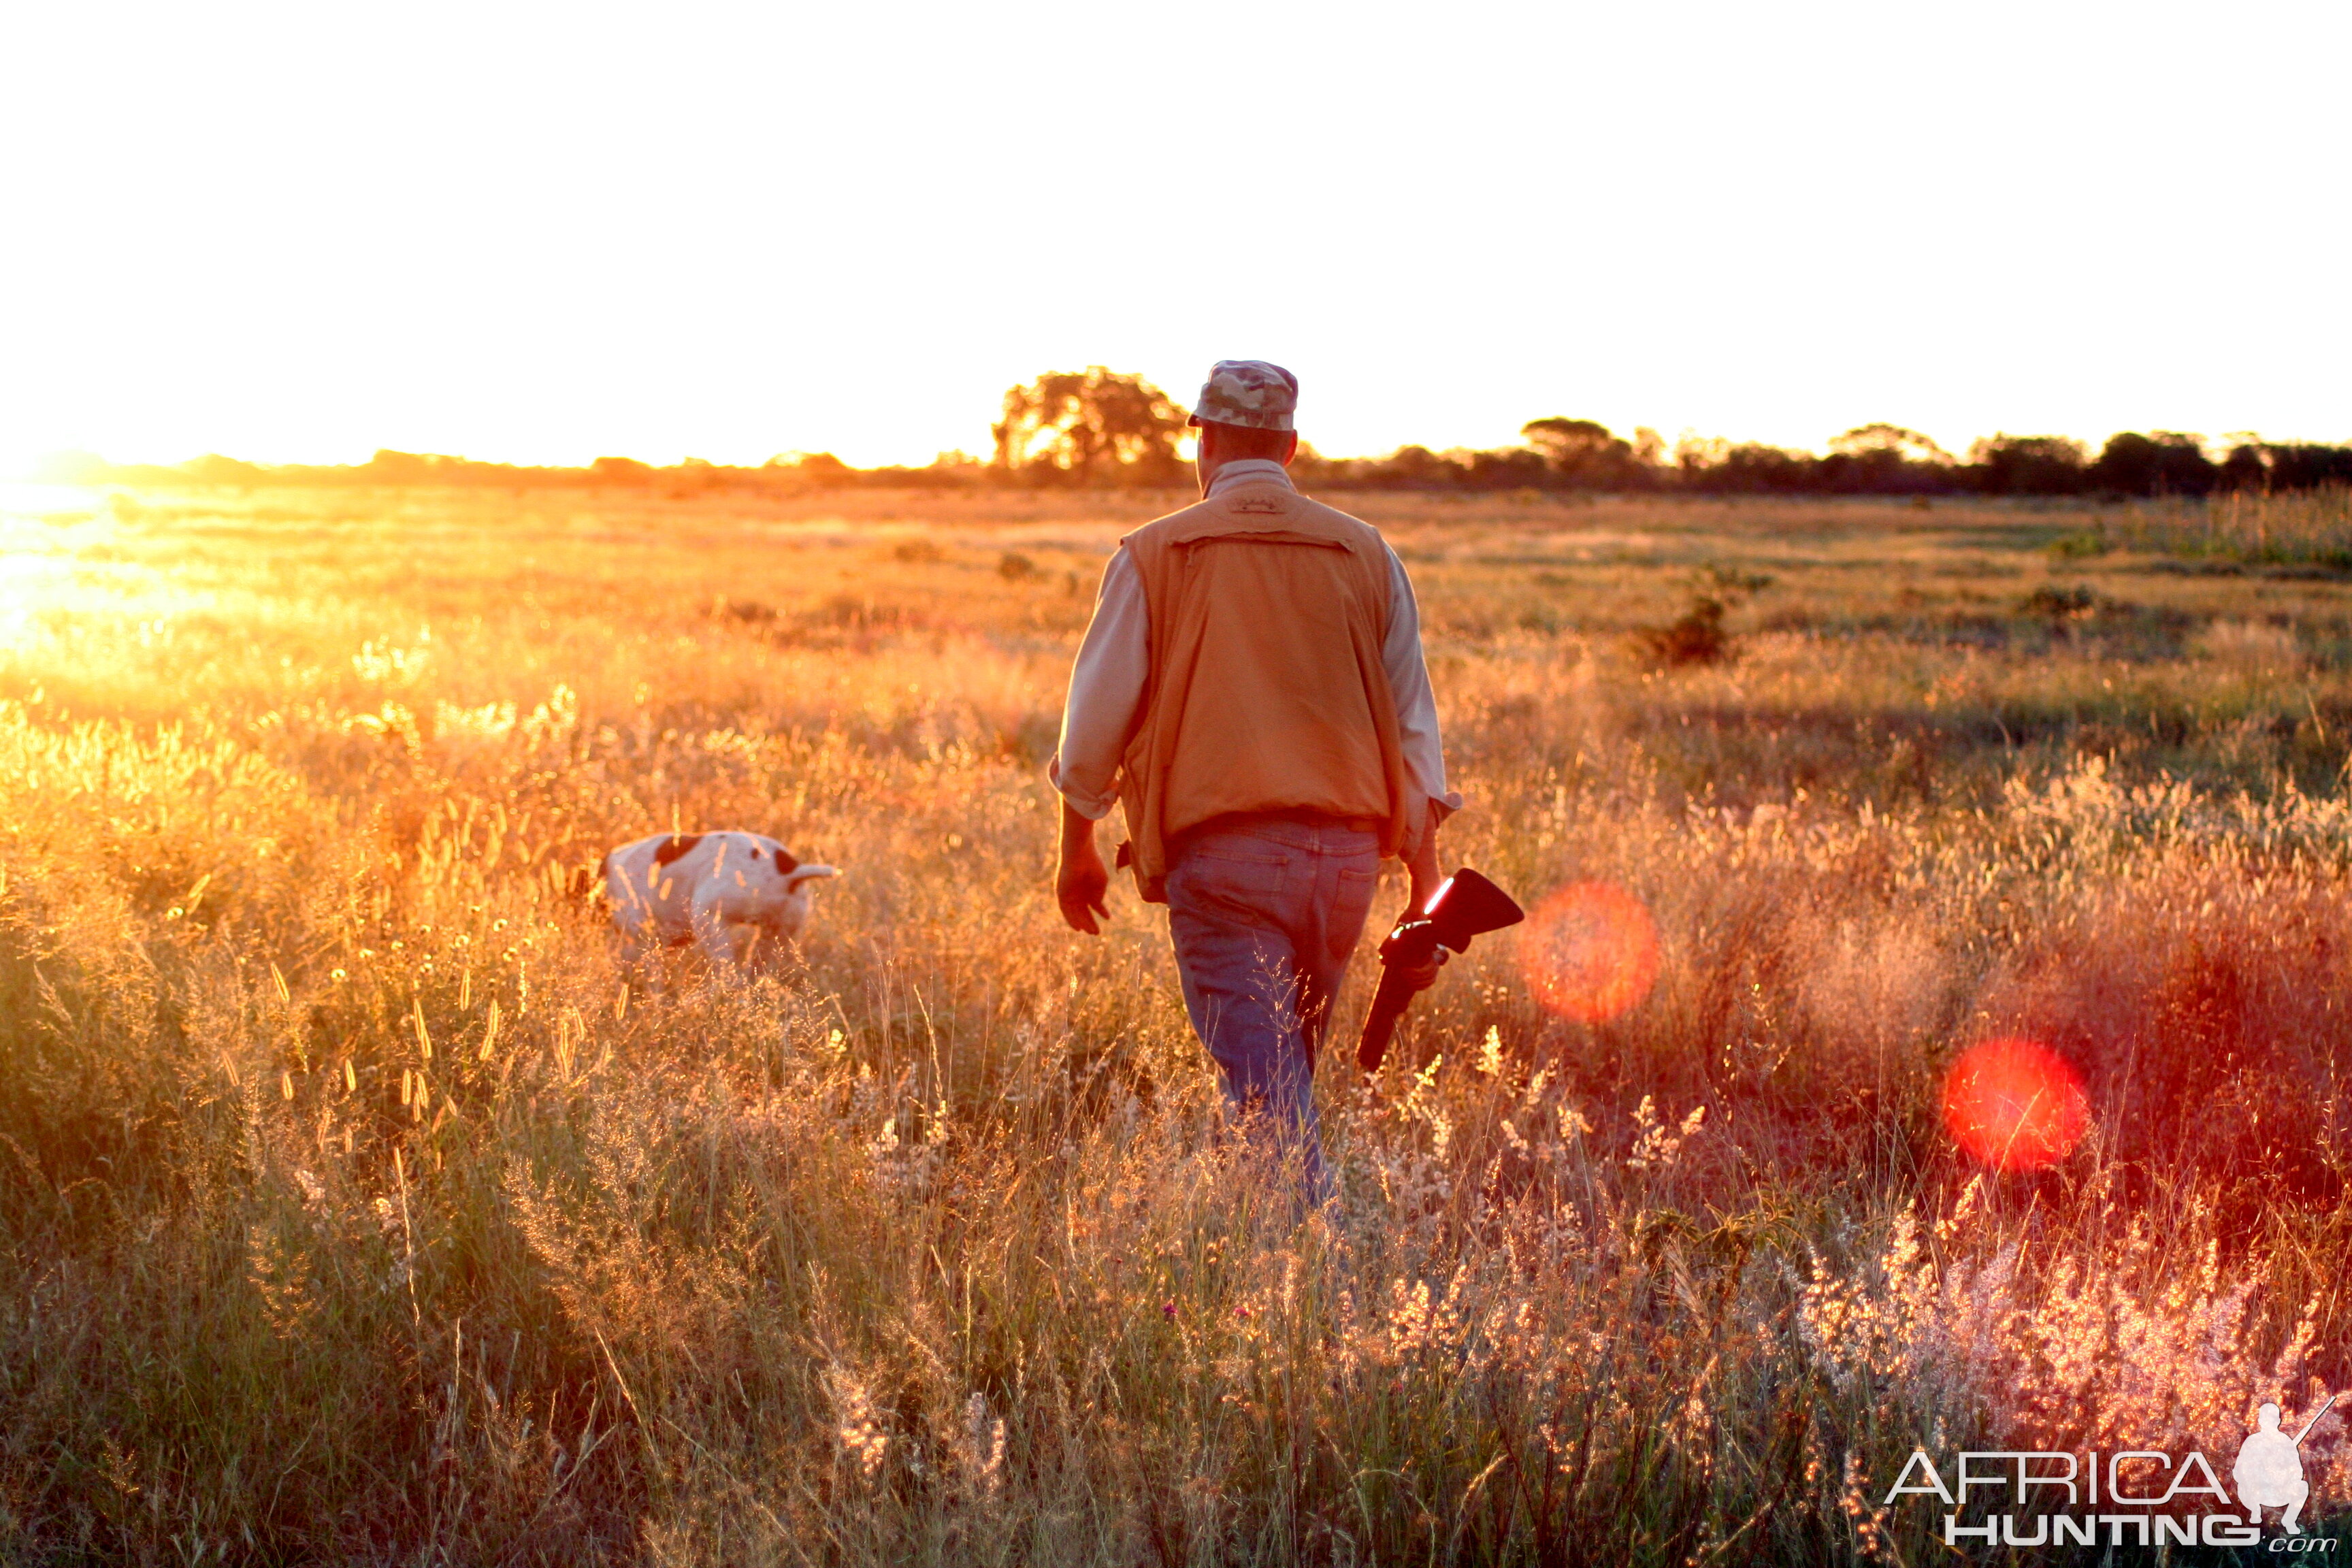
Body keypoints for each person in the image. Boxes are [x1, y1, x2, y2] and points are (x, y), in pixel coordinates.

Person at [1049, 359, 1460, 1202]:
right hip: (1345, 862)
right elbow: (1417, 728)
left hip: (1225, 863)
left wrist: (1075, 849)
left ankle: (1328, 1284)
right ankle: (1253, 1273)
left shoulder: (1154, 551)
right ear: (1293, 446)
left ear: (1200, 440)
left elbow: (1092, 727)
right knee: (1278, 1081)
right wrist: (1426, 885)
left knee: (1271, 1102)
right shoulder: (1365, 551)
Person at [2234, 1400, 2315, 1534]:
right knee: (2246, 1482)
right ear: (2260, 1420)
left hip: (2279, 1491)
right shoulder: (2252, 1442)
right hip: (2255, 1492)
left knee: (2302, 1487)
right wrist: (2257, 1474)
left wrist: (2281, 1474)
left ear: (2278, 1421)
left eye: (2271, 1419)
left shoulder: (2285, 1442)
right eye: (2265, 1419)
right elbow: (2238, 1471)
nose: (2268, 1422)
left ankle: (2289, 1520)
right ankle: (2255, 1511)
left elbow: (2297, 1472)